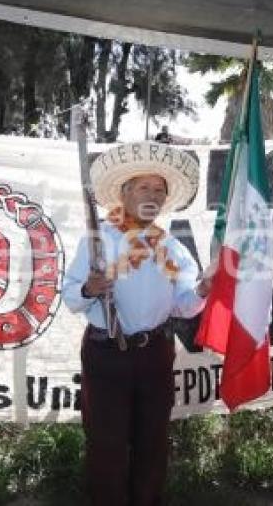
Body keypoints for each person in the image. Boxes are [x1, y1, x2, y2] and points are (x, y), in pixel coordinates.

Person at [62, 141, 212, 506]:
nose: (153, 195)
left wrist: (205, 289)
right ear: (125, 193)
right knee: (106, 443)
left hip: (155, 354)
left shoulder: (172, 248)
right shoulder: (98, 239)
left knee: (153, 440)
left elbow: (185, 306)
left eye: (159, 189)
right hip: (106, 351)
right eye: (144, 187)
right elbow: (70, 296)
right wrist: (89, 287)